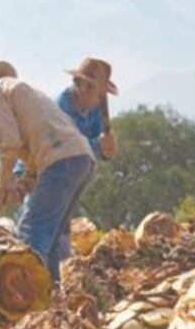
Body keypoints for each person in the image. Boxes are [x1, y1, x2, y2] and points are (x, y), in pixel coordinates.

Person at [0, 61, 94, 284]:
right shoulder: (18, 91)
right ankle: (52, 297)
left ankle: (30, 302)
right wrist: (22, 184)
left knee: (31, 230)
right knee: (51, 238)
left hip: (60, 160)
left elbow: (9, 145)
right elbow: (34, 151)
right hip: (80, 158)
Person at [13, 57, 119, 257]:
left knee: (59, 227)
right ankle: (31, 271)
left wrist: (106, 150)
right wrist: (97, 146)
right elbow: (65, 150)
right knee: (37, 226)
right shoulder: (61, 108)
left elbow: (90, 148)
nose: (101, 98)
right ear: (84, 87)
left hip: (65, 170)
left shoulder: (95, 110)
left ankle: (52, 278)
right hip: (36, 167)